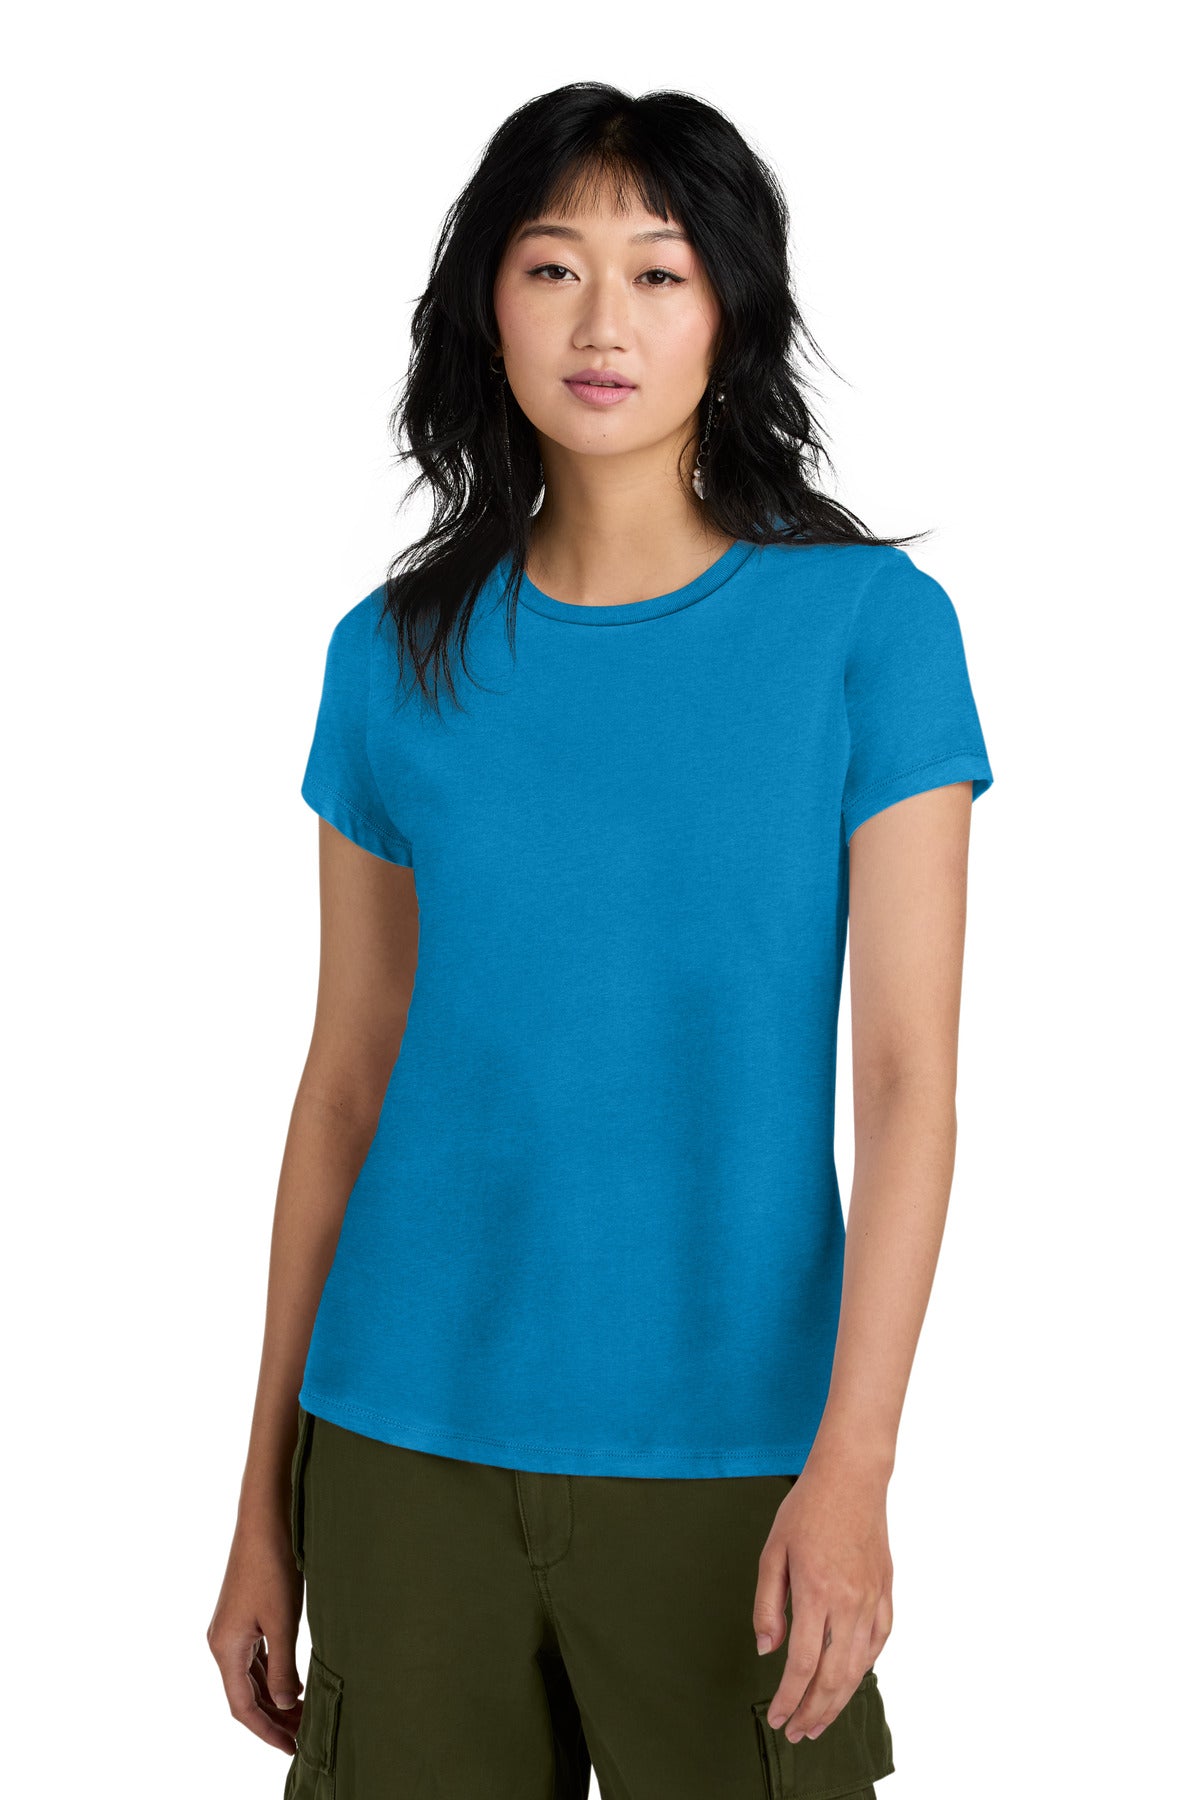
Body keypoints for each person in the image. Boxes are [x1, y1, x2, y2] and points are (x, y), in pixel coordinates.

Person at [207, 81, 994, 1800]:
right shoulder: (389, 656)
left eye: (660, 271)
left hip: (739, 1463)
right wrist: (262, 1502)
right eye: (553, 268)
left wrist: (854, 1465)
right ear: (486, 304)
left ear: (731, 308)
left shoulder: (868, 631)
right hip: (400, 1446)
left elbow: (909, 1082)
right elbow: (344, 1087)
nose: (602, 322)